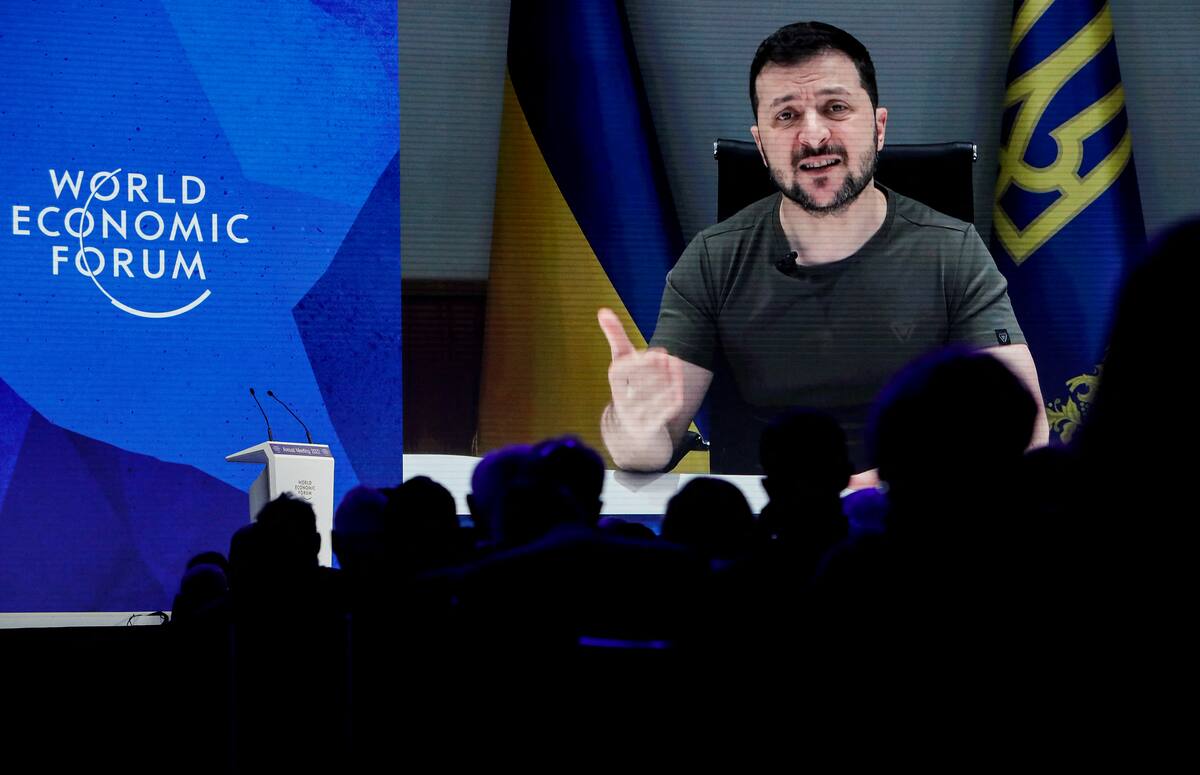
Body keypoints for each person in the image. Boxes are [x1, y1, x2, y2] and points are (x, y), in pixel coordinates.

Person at [599, 21, 1048, 475]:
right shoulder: (712, 260)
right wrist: (631, 425)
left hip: (913, 519)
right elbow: (646, 451)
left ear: (878, 127)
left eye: (835, 108)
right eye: (786, 115)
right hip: (771, 521)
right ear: (760, 144)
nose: (813, 137)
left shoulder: (954, 252)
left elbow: (1027, 432)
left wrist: (895, 480)